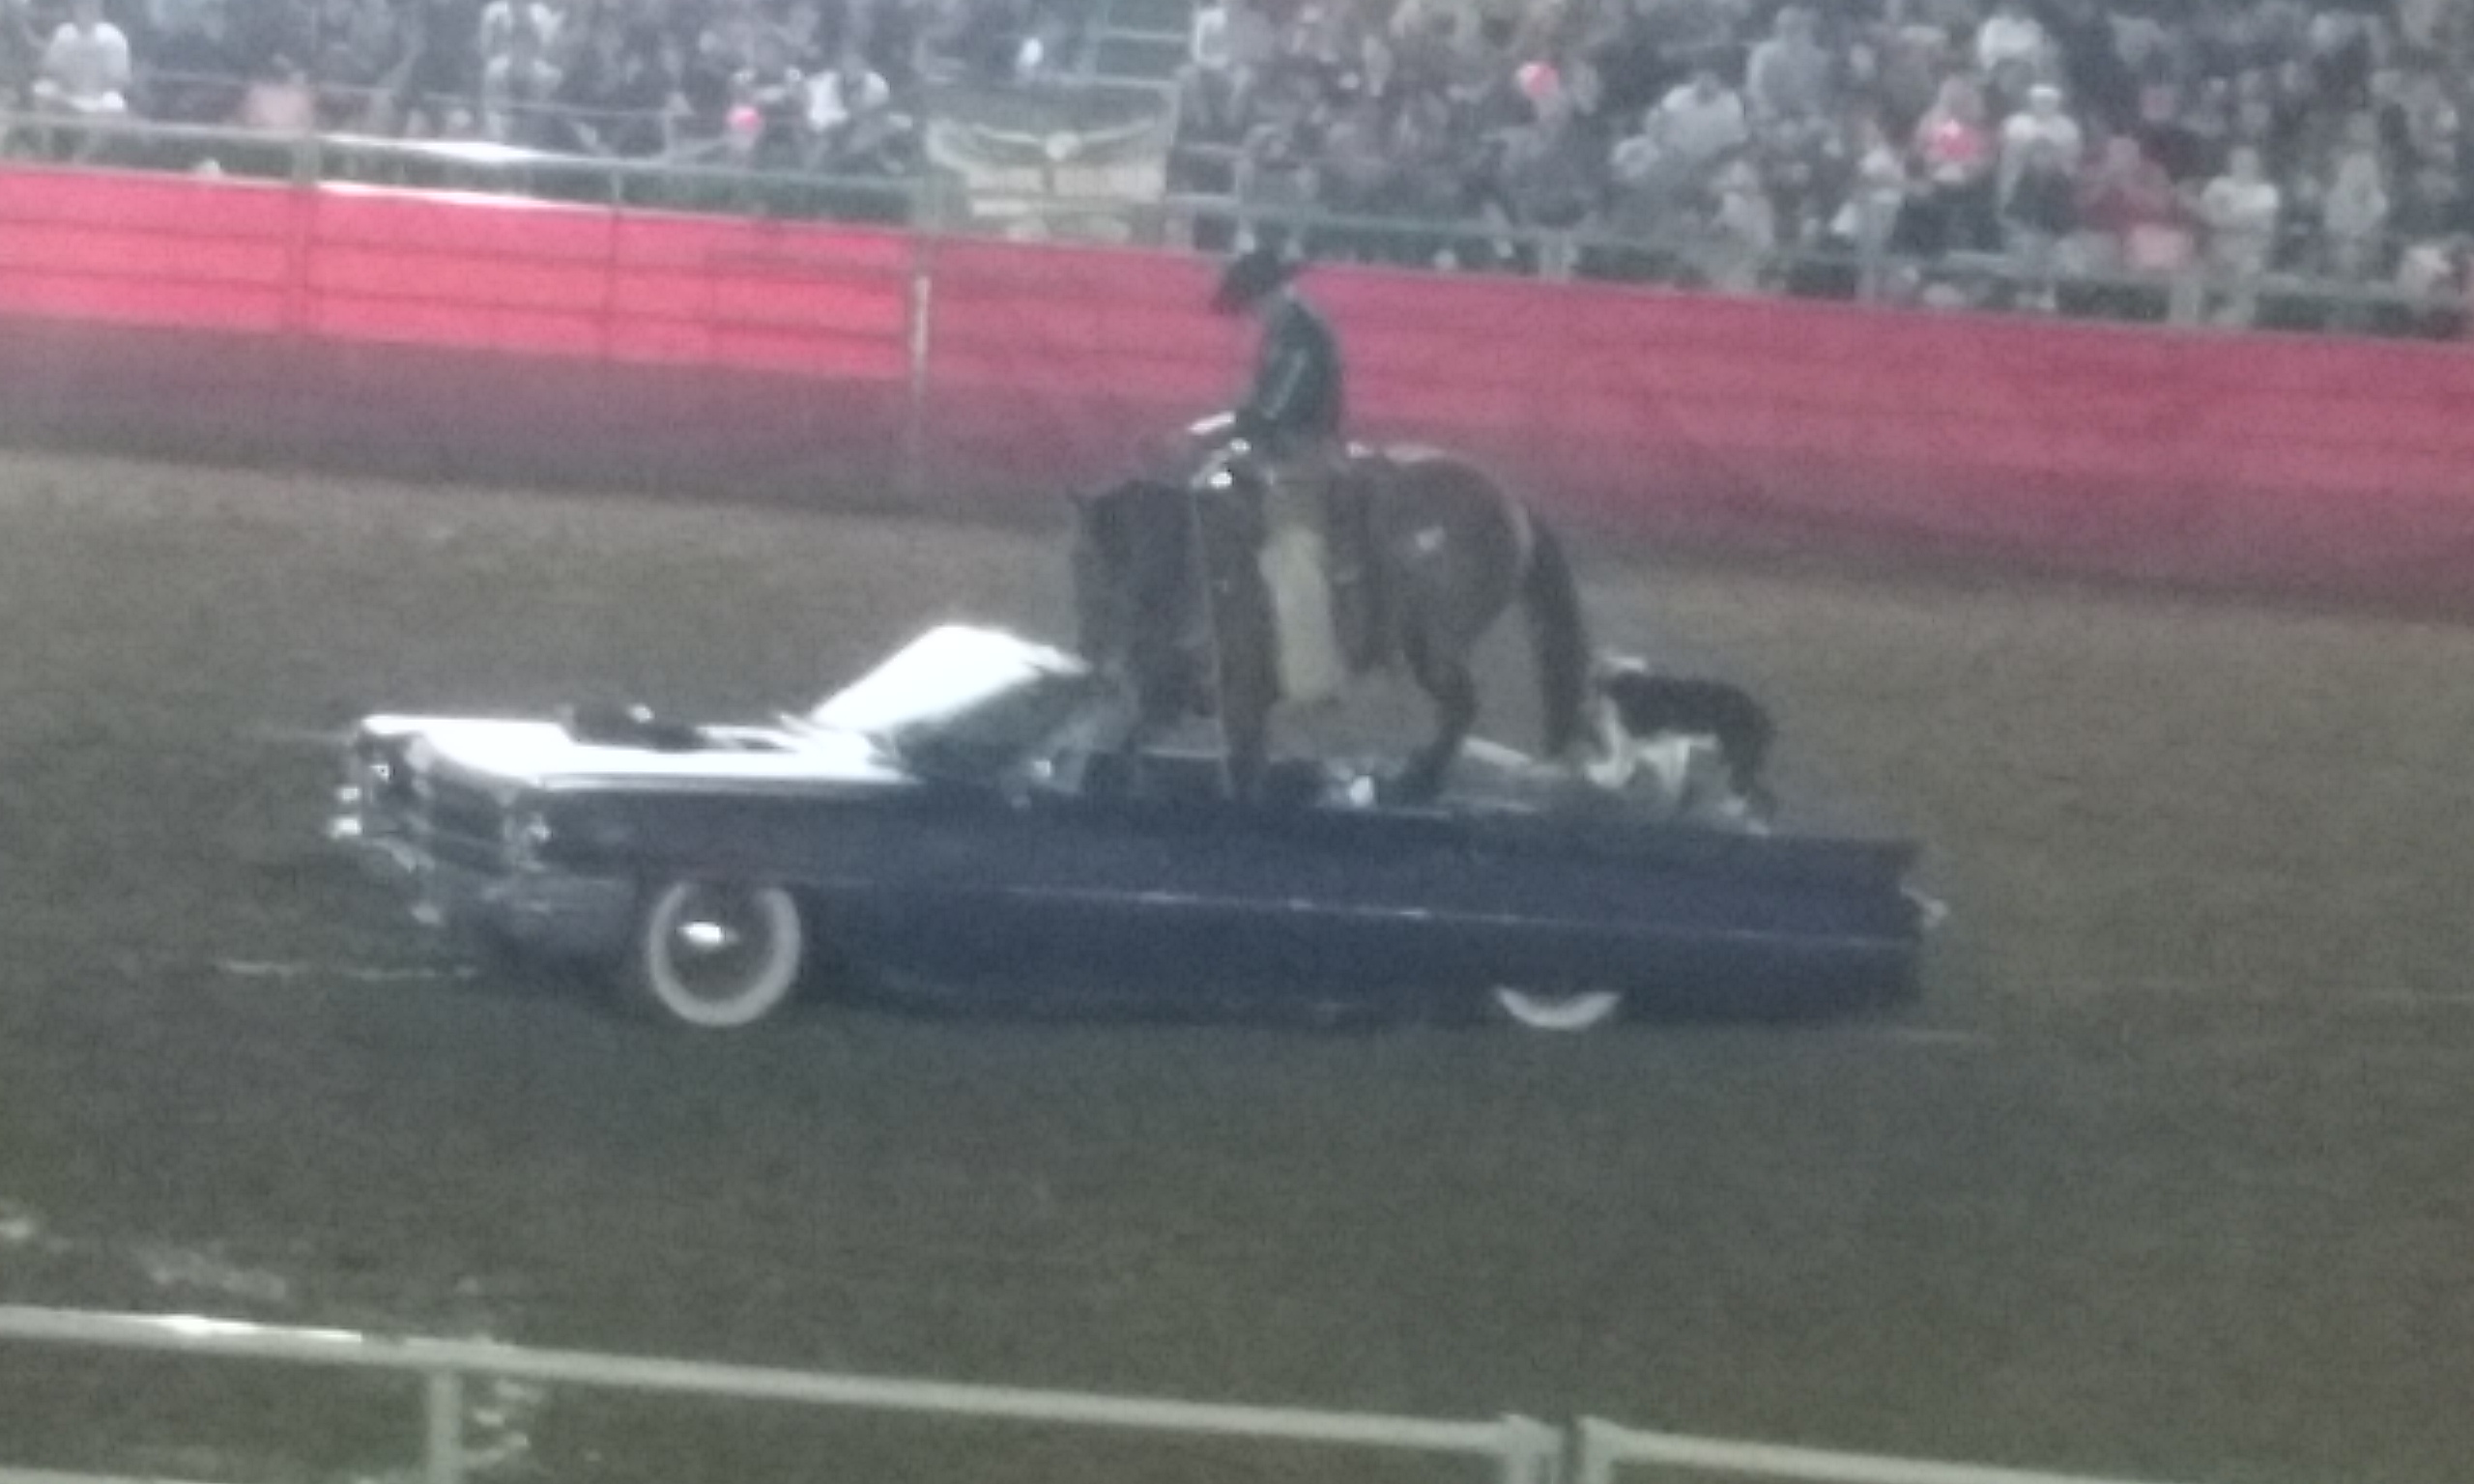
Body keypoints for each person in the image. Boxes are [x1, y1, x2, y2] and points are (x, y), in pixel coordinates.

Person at [1208, 244, 1364, 700]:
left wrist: (1218, 430)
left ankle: (1312, 677)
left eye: (1251, 302)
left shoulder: (1300, 337)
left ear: (1270, 293)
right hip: (1280, 448)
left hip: (1302, 455)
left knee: (1294, 550)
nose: (1251, 313)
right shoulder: (1291, 329)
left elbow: (1273, 409)